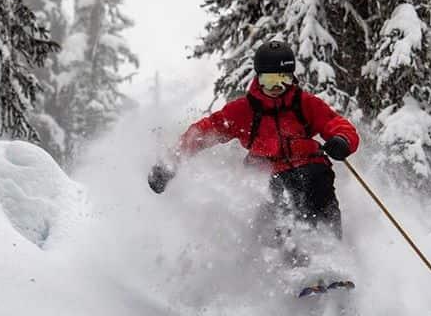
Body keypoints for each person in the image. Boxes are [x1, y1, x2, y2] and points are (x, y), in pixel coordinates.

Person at [148, 39, 359, 262]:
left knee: (316, 183)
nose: (277, 88)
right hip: (269, 174)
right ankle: (285, 260)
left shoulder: (305, 104)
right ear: (258, 79)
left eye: (283, 80)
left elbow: (337, 124)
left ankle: (330, 255)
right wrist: (170, 163)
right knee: (274, 201)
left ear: (292, 78)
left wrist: (341, 140)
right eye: (270, 81)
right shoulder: (244, 111)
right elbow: (203, 132)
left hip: (310, 167)